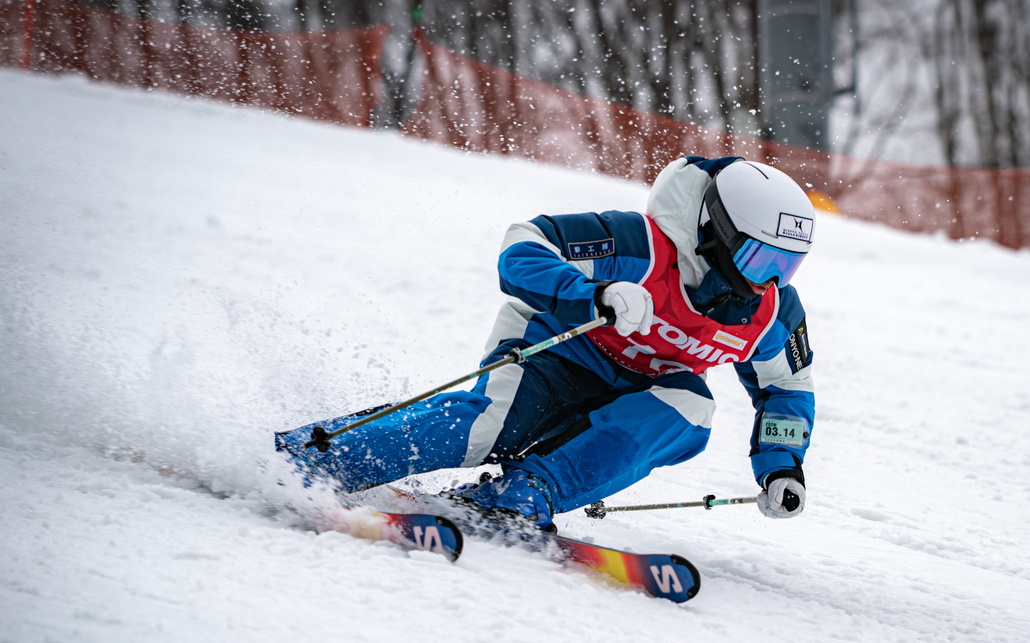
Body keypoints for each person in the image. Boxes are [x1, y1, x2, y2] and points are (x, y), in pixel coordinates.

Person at [275, 155, 816, 531]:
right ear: (716, 230)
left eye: (784, 266)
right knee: (488, 432)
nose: (765, 279)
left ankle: (525, 493)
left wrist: (781, 465)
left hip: (635, 393)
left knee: (691, 408)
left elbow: (788, 389)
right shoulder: (643, 245)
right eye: (758, 258)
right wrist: (590, 293)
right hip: (554, 351)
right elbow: (524, 243)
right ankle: (320, 458)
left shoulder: (773, 311)